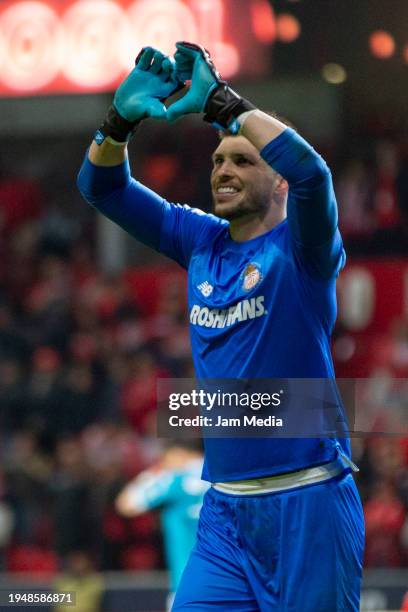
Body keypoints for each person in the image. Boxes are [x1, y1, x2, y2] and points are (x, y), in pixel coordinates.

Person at [78, 42, 365, 611]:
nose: (224, 170)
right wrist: (118, 123)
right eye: (218, 161)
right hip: (225, 516)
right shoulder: (200, 240)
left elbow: (314, 175)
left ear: (278, 181)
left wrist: (222, 105)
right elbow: (101, 187)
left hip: (307, 504)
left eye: (243, 160)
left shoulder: (301, 251)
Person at [115, 441, 208, 609]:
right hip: (233, 586)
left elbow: (126, 504)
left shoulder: (174, 479)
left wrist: (153, 473)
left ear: (177, 453)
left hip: (188, 589)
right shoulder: (226, 477)